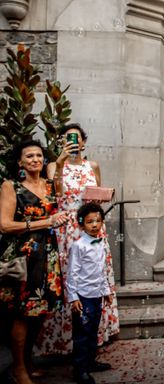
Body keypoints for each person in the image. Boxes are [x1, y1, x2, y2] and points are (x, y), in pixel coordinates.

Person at [39, 123, 119, 355]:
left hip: (92, 226)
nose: (73, 142)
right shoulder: (55, 165)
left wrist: (101, 198)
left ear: (83, 142)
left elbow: (95, 197)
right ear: (61, 143)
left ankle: (93, 337)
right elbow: (56, 194)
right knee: (72, 279)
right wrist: (61, 162)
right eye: (67, 139)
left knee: (95, 275)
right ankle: (68, 343)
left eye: (76, 139)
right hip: (68, 230)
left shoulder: (92, 165)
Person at [0, 140, 67, 384]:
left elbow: (58, 179)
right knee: (22, 314)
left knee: (40, 313)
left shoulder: (49, 186)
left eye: (39, 155)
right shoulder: (11, 186)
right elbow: (5, 225)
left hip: (47, 256)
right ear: (20, 162)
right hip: (24, 257)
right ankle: (18, 369)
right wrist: (45, 222)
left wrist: (58, 163)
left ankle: (28, 361)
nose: (35, 159)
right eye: (29, 156)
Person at [66, 202, 113, 384]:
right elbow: (72, 273)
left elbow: (101, 270)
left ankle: (90, 361)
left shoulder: (101, 243)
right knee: (82, 334)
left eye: (97, 221)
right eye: (89, 222)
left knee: (93, 330)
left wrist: (106, 291)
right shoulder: (79, 246)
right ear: (81, 224)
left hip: (96, 295)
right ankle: (80, 370)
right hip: (83, 297)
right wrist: (73, 297)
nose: (94, 225)